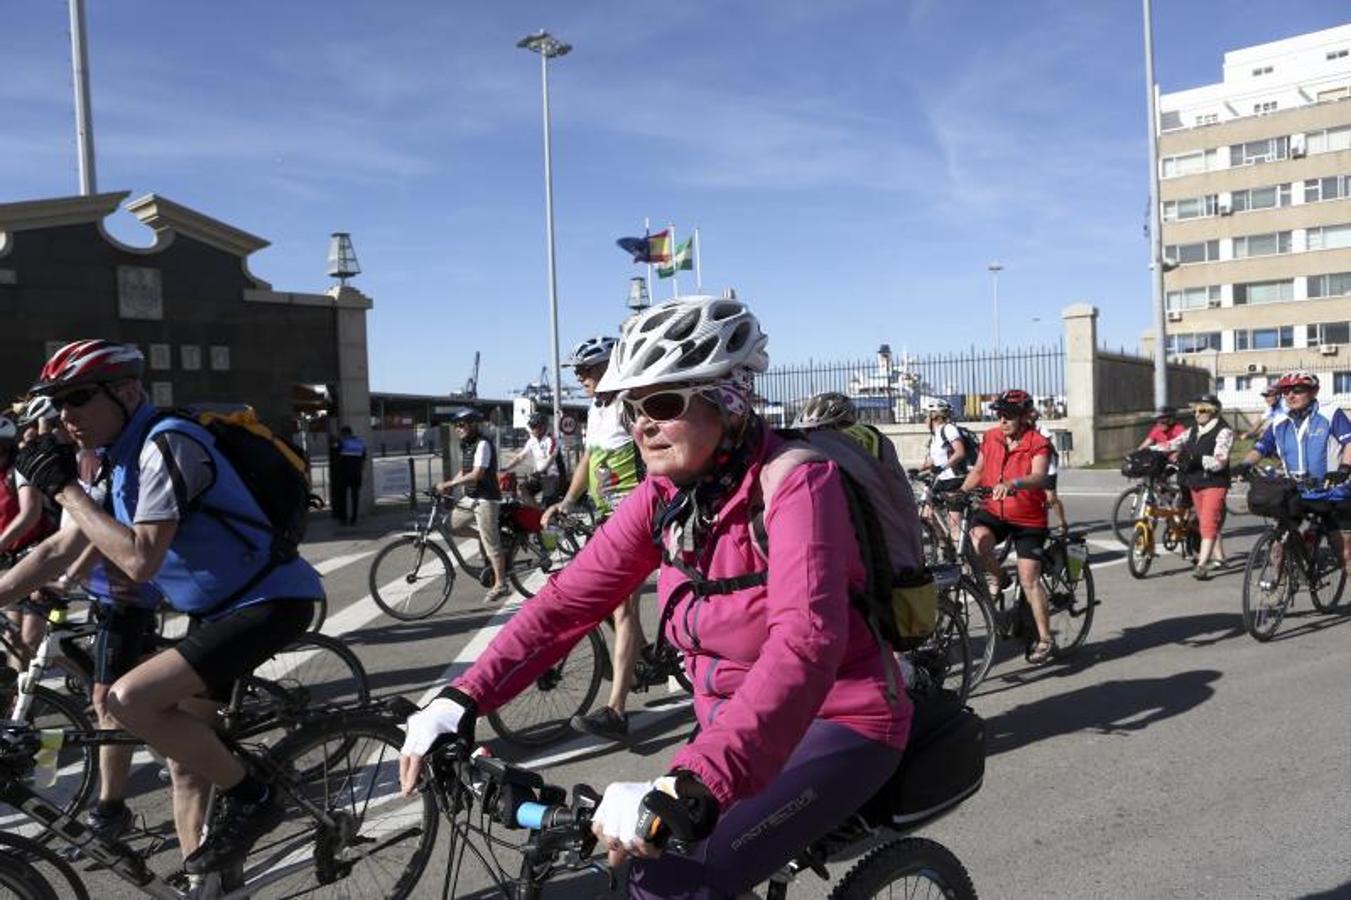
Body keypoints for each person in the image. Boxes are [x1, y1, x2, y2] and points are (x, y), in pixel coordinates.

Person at [399, 295, 911, 898]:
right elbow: (570, 600)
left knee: (665, 881)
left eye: (663, 404)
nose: (640, 423)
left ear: (730, 397)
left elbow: (805, 642)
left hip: (838, 719)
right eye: (632, 406)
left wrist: (694, 782)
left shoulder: (797, 480)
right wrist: (462, 697)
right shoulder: (666, 492)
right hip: (729, 727)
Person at [2, 339, 324, 877]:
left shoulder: (166, 445)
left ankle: (257, 797)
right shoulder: (115, 459)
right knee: (185, 764)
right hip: (217, 607)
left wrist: (65, 492)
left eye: (77, 397)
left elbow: (140, 560)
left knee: (128, 700)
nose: (66, 416)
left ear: (127, 391)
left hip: (270, 601)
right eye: (59, 404)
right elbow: (58, 549)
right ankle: (207, 881)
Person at [542, 336, 645, 741]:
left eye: (589, 370)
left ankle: (616, 710)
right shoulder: (597, 408)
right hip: (604, 517)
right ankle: (635, 655)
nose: (581, 377)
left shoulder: (628, 404)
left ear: (610, 367)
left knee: (623, 611)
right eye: (579, 372)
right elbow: (588, 458)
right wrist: (567, 501)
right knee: (592, 596)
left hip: (633, 518)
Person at [960, 389, 1057, 664]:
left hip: (1028, 518)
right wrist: (962, 492)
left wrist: (1013, 484)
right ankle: (1000, 576)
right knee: (977, 540)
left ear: (1025, 416)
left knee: (1029, 579)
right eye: (1000, 414)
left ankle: (1045, 638)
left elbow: (1039, 477)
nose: (1003, 420)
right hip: (994, 511)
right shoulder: (990, 437)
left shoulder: (1037, 442)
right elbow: (978, 470)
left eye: (1010, 415)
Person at [1234, 370, 1351, 572]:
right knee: (1278, 544)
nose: (1290, 396)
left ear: (1314, 391)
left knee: (1344, 552)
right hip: (1296, 491)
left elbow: (1349, 442)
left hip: (1332, 491)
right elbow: (1261, 448)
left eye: (1297, 390)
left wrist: (1344, 468)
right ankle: (1276, 591)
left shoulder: (1330, 413)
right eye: (1285, 391)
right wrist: (1244, 464)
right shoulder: (1279, 421)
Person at [1, 408, 59, 669]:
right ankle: (16, 702)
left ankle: (88, 677)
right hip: (15, 559)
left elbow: (30, 514)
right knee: (12, 637)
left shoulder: (19, 469)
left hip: (39, 555)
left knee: (30, 638)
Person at [435, 409, 508, 602]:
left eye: (461, 425)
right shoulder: (467, 445)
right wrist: (448, 485)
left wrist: (450, 485)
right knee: (449, 525)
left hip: (486, 499)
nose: (458, 429)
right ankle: (481, 539)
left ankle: (501, 583)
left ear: (473, 425)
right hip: (471, 497)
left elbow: (477, 474)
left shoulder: (483, 444)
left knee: (491, 542)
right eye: (456, 426)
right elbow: (465, 470)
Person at [1157, 394, 1232, 579]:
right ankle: (1220, 557)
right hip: (1195, 483)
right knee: (1209, 521)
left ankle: (1201, 565)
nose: (1197, 413)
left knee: (1207, 522)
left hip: (1214, 483)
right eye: (1195, 410)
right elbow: (1171, 443)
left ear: (1214, 411)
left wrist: (1196, 459)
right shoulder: (1192, 431)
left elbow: (1220, 462)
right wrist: (1146, 451)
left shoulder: (1224, 431)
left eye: (1202, 409)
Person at [916, 399, 969, 544]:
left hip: (954, 479)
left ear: (934, 416)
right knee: (927, 514)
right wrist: (918, 469)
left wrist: (943, 466)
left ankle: (963, 562)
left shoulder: (949, 429)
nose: (924, 419)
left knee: (954, 526)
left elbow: (960, 453)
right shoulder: (935, 435)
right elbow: (935, 459)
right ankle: (944, 545)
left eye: (926, 415)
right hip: (941, 480)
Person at [503, 411, 563, 505]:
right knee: (522, 489)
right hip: (539, 476)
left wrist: (541, 471)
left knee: (547, 504)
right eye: (531, 427)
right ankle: (537, 513)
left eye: (534, 426)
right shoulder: (532, 441)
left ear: (542, 427)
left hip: (552, 476)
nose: (532, 429)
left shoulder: (551, 440)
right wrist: (505, 468)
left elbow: (551, 459)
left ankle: (548, 517)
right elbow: (520, 457)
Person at [1031, 410, 1069, 534]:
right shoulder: (1024, 432)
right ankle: (1041, 524)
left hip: (1048, 469)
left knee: (1051, 498)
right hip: (1033, 469)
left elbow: (1048, 446)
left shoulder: (1042, 430)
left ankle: (1062, 522)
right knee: (1038, 499)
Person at [334, 425, 367, 526]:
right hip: (356, 473)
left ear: (344, 434)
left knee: (342, 496)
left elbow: (335, 453)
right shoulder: (360, 442)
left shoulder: (342, 442)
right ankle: (354, 518)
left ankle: (343, 518)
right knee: (355, 496)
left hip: (344, 474)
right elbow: (364, 458)